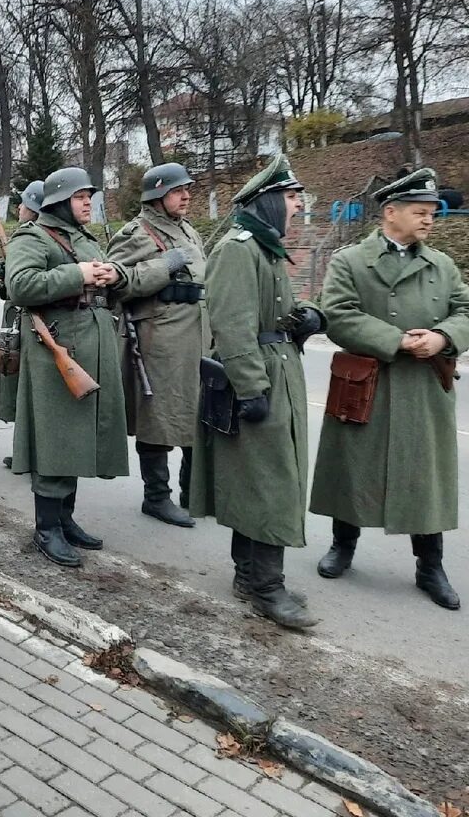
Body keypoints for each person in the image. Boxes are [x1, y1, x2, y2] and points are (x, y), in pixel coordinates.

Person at [310, 167, 469, 609]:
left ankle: (431, 567)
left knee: (424, 478)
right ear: (391, 212)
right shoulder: (350, 261)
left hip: (424, 389)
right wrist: (398, 340)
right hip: (365, 383)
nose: (429, 220)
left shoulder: (441, 265)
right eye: (420, 212)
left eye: (432, 213)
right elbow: (339, 314)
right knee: (352, 469)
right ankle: (342, 547)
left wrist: (443, 338)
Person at [189, 154, 325, 630]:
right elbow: (231, 324)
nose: (297, 207)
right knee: (272, 485)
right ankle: (266, 585)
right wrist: (251, 388)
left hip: (278, 370)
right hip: (260, 377)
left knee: (261, 481)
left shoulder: (263, 249)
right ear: (267, 201)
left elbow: (267, 313)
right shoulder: (237, 249)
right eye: (290, 198)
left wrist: (305, 318)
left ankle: (250, 577)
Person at [6, 168, 131, 567]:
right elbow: (20, 284)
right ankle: (47, 528)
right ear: (59, 200)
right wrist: (75, 274)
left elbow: (107, 279)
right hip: (55, 349)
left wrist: (115, 274)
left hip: (91, 345)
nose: (86, 204)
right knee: (56, 439)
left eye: (88, 197)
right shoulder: (33, 236)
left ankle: (65, 519)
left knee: (78, 437)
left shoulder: (84, 238)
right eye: (80, 197)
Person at [107, 163, 208, 527]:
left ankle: (193, 492)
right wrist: (163, 266)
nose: (186, 196)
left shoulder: (190, 233)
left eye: (186, 189)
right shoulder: (137, 234)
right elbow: (114, 282)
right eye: (178, 191)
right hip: (159, 337)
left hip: (195, 334)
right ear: (157, 195)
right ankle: (156, 497)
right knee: (159, 418)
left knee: (196, 412)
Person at [0, 180, 45, 469]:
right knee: (18, 388)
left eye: (24, 204)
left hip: (31, 320)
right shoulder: (24, 237)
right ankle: (25, 449)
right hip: (20, 318)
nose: (19, 208)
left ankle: (33, 453)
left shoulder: (34, 238)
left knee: (29, 388)